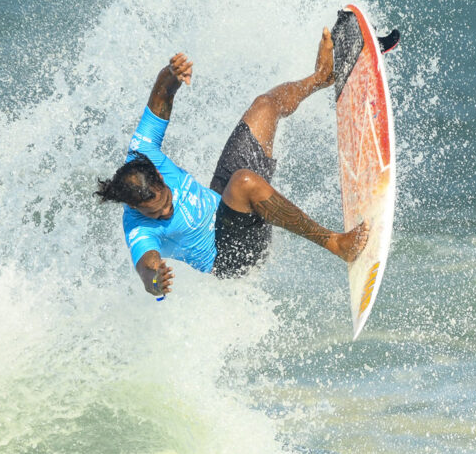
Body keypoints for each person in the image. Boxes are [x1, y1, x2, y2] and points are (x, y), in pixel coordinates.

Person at [95, 29, 368, 298]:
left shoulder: (143, 151)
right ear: (134, 207)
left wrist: (172, 74)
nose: (165, 212)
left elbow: (161, 97)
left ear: (159, 175)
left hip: (225, 201)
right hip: (232, 258)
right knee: (243, 182)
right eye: (154, 214)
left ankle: (322, 77)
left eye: (165, 201)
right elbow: (146, 267)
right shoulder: (138, 229)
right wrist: (155, 280)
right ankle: (336, 243)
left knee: (264, 106)